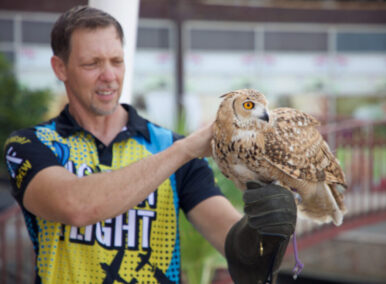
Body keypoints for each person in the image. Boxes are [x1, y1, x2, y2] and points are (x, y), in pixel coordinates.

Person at [3, 5, 296, 284]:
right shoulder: (31, 144)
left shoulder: (169, 146)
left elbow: (243, 252)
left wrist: (269, 216)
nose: (109, 76)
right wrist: (185, 149)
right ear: (60, 68)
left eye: (116, 61)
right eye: (92, 64)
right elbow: (77, 206)